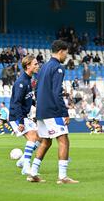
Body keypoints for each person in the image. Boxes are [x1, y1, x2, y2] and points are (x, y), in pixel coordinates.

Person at [28, 40, 78, 184]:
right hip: (53, 112)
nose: (66, 56)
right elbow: (57, 93)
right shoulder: (58, 68)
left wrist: (41, 106)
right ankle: (62, 177)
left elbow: (36, 90)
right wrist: (64, 112)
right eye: (66, 53)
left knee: (46, 142)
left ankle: (33, 173)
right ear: (61, 51)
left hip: (41, 111)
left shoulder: (43, 67)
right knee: (64, 141)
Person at [9, 55, 41, 175]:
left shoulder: (29, 80)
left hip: (23, 115)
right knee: (33, 136)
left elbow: (26, 99)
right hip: (17, 116)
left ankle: (22, 161)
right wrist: (21, 122)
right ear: (28, 66)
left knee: (41, 137)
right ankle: (26, 167)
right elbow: (17, 102)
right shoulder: (21, 82)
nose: (37, 66)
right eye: (35, 64)